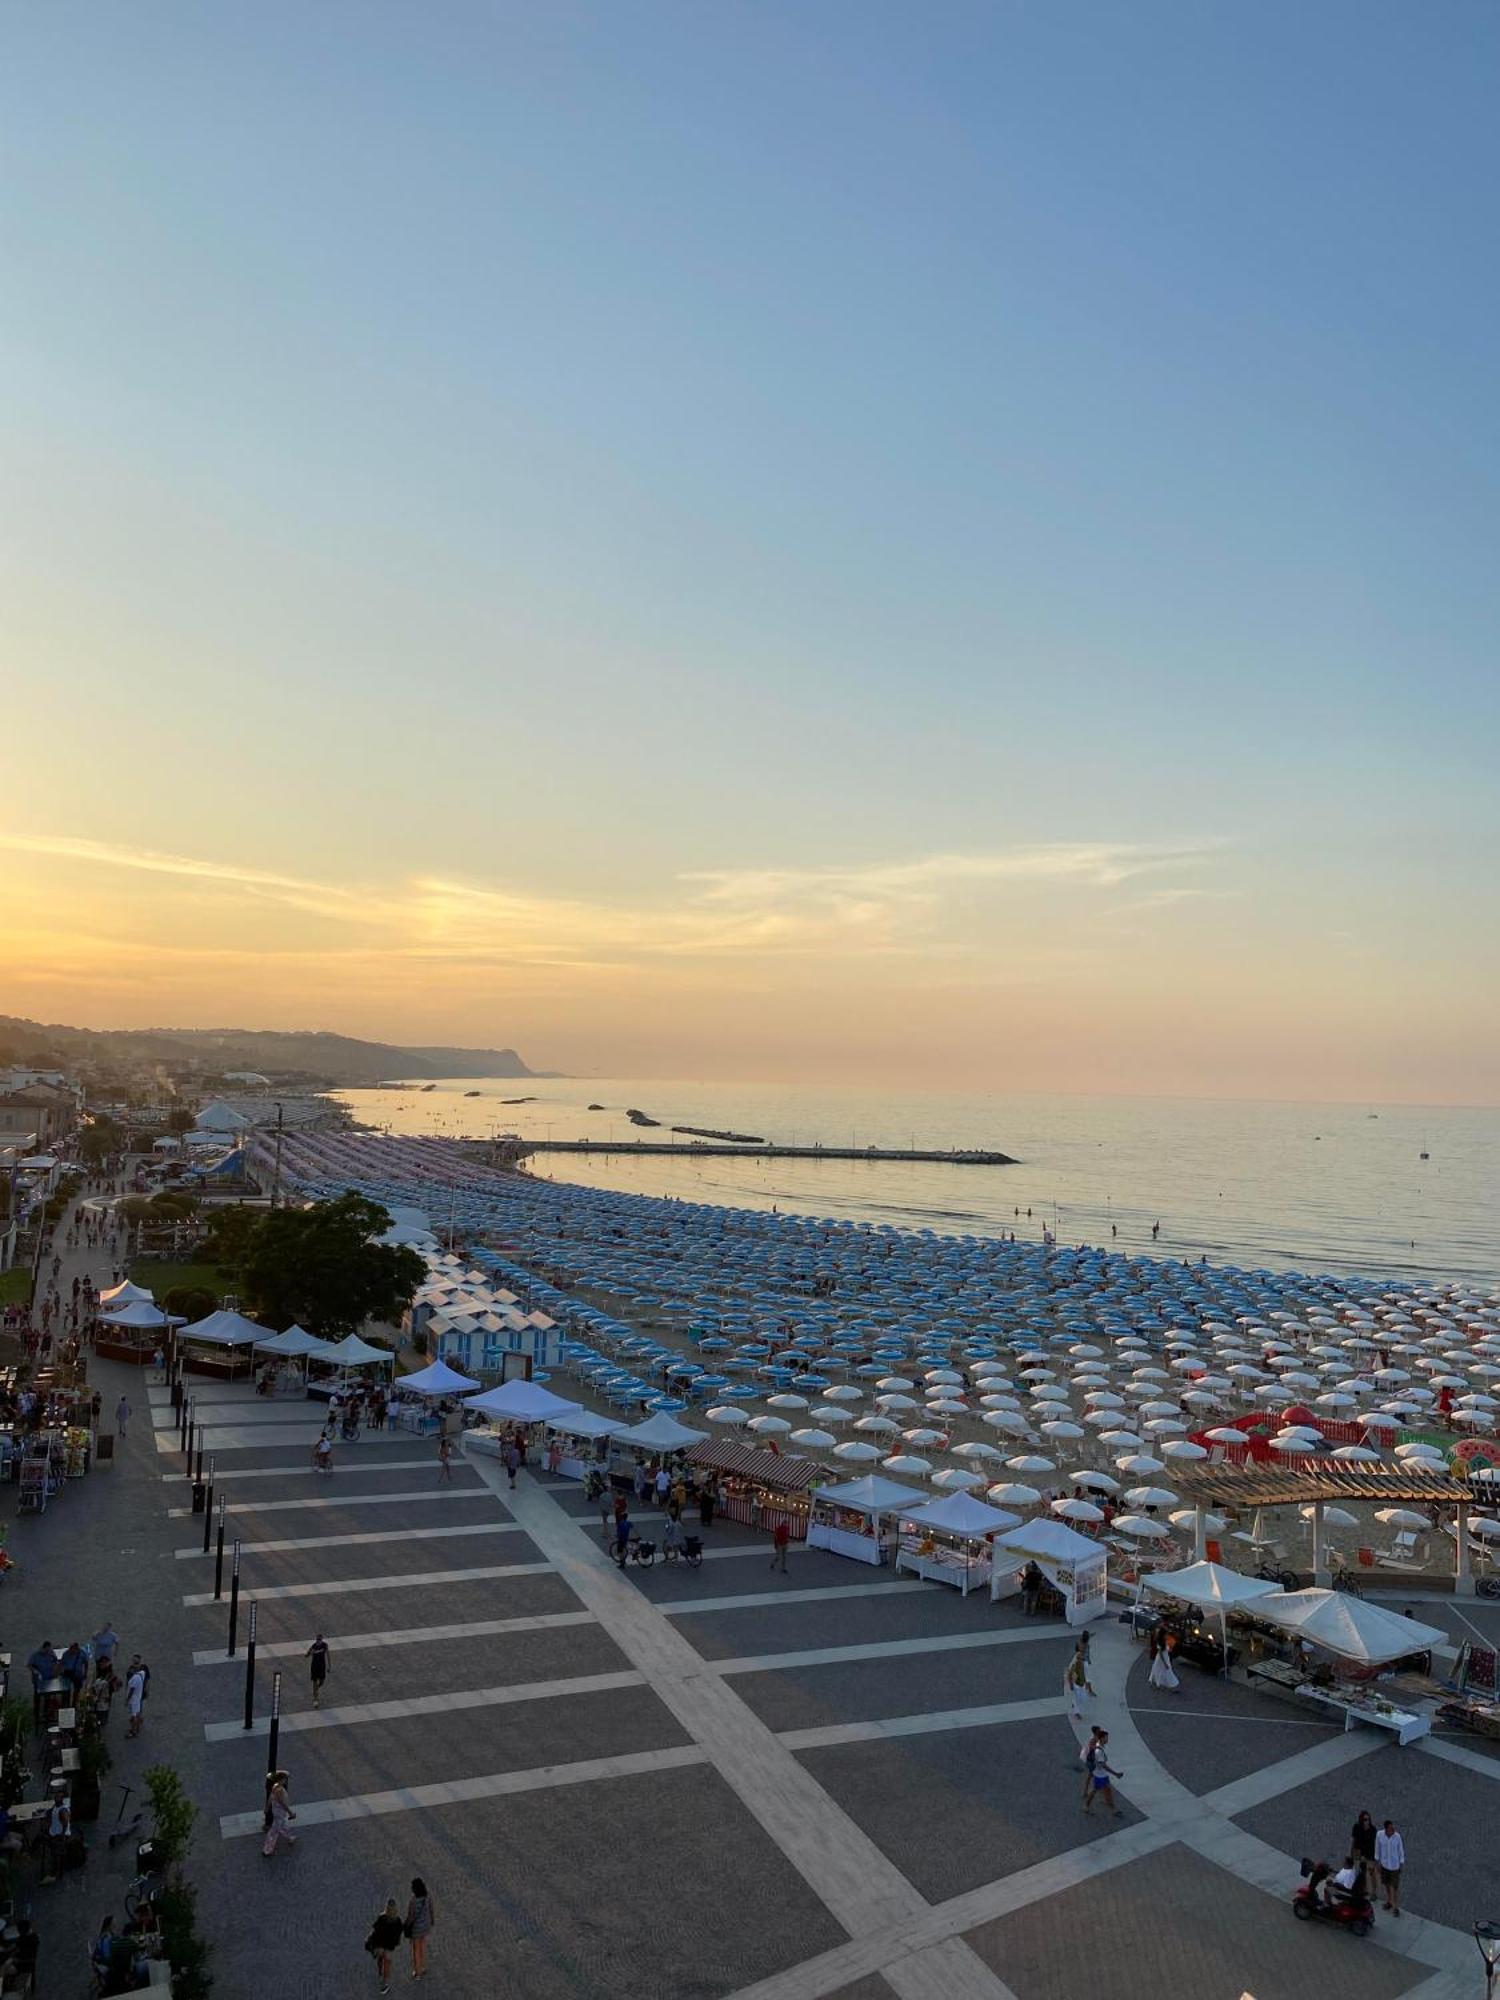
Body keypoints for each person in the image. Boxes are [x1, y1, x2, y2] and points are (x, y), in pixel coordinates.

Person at [366, 1899, 404, 1995]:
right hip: (390, 1947)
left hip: (380, 1945)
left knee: (380, 1959)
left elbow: (375, 1930)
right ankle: (385, 1982)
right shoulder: (398, 1921)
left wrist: (371, 1940)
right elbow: (399, 1934)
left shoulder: (382, 1918)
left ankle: (380, 1972)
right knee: (387, 1963)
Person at [1082, 1736, 1122, 1816]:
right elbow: (1103, 1765)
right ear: (1102, 1739)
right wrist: (1116, 1774)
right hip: (1099, 1776)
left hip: (1102, 1775)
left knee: (1108, 1791)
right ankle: (1086, 1806)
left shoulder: (1099, 1748)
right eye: (1105, 1738)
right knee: (1095, 1791)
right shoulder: (1099, 1751)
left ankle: (1113, 1809)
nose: (1107, 1739)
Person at [405, 1876, 435, 1979]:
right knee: (423, 1946)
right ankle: (423, 1967)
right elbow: (431, 1909)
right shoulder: (428, 1897)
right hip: (425, 1926)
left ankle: (417, 1972)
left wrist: (406, 1925)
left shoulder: (413, 1901)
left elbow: (411, 1916)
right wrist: (432, 1921)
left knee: (416, 1949)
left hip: (416, 1928)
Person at [262, 1770, 296, 1857]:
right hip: (280, 1812)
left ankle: (289, 1837)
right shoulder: (280, 1790)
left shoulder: (275, 1786)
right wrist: (290, 1812)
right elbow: (282, 1803)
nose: (285, 1781)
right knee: (274, 1831)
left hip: (276, 1811)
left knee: (283, 1824)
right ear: (281, 1780)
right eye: (284, 1779)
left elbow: (270, 1797)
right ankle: (267, 1849)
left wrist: (267, 1807)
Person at [1376, 1818, 1405, 1915]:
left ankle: (1395, 1907)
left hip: (1394, 1867)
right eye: (1391, 1828)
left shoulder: (1397, 1837)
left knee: (1394, 1887)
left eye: (1393, 1828)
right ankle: (1389, 1901)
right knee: (1387, 1884)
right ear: (1386, 1829)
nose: (1393, 1830)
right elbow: (1378, 1848)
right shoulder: (1380, 1835)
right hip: (1384, 1865)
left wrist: (1401, 1863)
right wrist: (1378, 1862)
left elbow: (1400, 1850)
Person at [1351, 1809, 1378, 1896]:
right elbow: (1354, 1840)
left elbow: (1373, 1844)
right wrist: (1351, 1852)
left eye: (1367, 1819)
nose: (1366, 1821)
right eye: (1364, 1819)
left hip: (1369, 1854)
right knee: (1359, 1872)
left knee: (1370, 1873)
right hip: (1358, 1853)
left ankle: (1374, 1892)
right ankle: (1363, 1890)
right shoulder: (1357, 1827)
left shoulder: (1373, 1830)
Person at [1065, 1644, 1094, 1720]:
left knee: (1082, 1698)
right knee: (1077, 1698)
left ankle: (1074, 1704)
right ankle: (1076, 1712)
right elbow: (1070, 1674)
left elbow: (1084, 1673)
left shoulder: (1083, 1664)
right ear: (1078, 1659)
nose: (1082, 1658)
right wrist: (1071, 1684)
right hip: (1076, 1684)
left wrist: (1085, 1682)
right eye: (1081, 1658)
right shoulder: (1074, 1665)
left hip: (1082, 1684)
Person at [307, 1634, 330, 1708]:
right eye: (317, 1639)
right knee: (314, 1682)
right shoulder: (313, 1646)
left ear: (322, 1639)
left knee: (322, 1682)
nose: (318, 1641)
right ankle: (315, 1699)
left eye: (319, 1639)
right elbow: (307, 1654)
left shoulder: (325, 1645)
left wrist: (329, 1666)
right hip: (314, 1666)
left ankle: (316, 1689)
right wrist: (310, 1653)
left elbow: (328, 1655)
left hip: (322, 1666)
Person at [125, 1660, 147, 1738]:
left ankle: (133, 1731)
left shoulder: (134, 1679)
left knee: (134, 1715)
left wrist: (127, 1700)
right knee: (137, 1713)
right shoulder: (141, 1674)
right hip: (138, 1698)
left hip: (133, 1700)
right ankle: (137, 1728)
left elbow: (131, 1691)